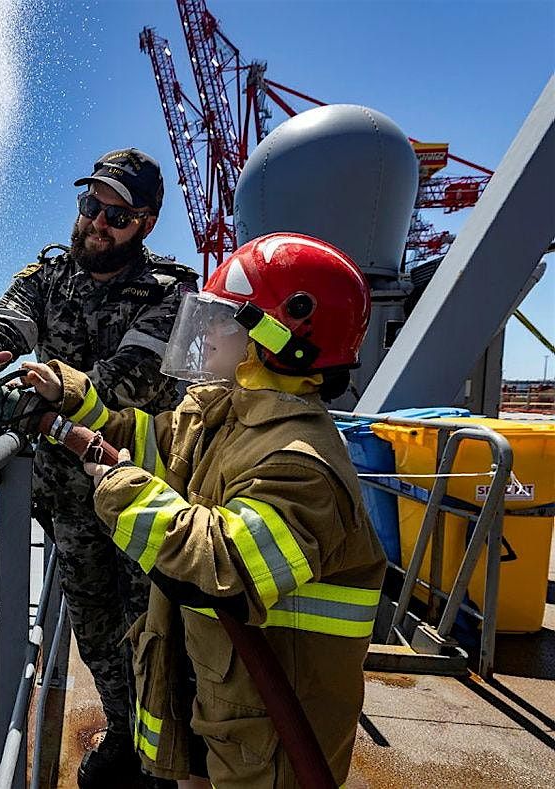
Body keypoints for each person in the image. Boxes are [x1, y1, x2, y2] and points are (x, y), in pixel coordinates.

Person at [21, 233, 387, 787]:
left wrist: (119, 487)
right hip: (220, 691)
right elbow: (156, 441)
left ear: (277, 338)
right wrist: (74, 396)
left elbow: (222, 562)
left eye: (224, 321)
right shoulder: (229, 411)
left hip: (275, 728)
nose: (209, 333)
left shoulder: (301, 463)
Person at [0, 149, 198, 787]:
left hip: (143, 495)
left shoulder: (169, 291)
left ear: (146, 223)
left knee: (157, 635)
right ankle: (126, 741)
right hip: (71, 504)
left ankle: (169, 759)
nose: (97, 223)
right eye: (90, 206)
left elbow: (130, 380)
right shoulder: (49, 276)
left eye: (117, 215)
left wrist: (50, 398)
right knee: (96, 630)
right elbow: (6, 321)